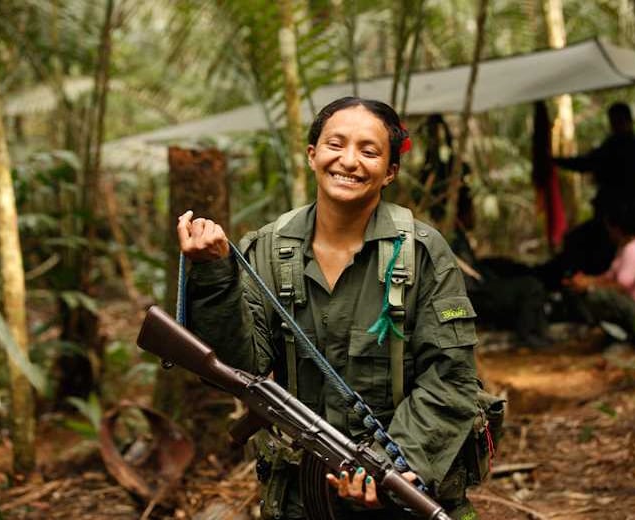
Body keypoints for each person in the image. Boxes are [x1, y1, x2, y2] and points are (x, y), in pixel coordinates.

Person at [177, 97, 481, 519]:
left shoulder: (422, 253)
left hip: (399, 491)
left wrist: (396, 465)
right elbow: (239, 367)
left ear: (390, 171)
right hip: (298, 500)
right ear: (312, 154)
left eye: (369, 151)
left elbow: (451, 378)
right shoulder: (265, 250)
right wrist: (213, 274)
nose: (349, 161)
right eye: (336, 144)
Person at [538, 102, 635, 289]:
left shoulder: (626, 146)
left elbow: (585, 163)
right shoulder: (630, 145)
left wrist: (555, 161)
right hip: (620, 217)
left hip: (624, 216)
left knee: (584, 245)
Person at [563, 201, 635, 344]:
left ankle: (631, 335)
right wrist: (585, 280)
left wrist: (589, 286)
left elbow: (622, 286)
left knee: (595, 296)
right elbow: (608, 277)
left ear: (617, 228)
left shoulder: (633, 249)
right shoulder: (625, 247)